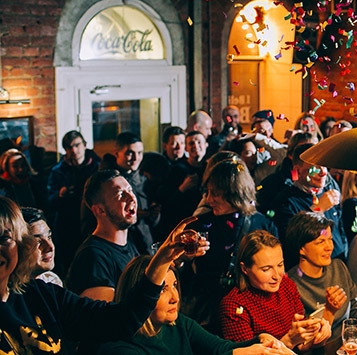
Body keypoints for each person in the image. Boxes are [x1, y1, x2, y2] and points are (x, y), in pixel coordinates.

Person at [0, 194, 205, 354]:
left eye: (4, 238)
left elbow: (120, 320)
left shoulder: (42, 295)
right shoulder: (93, 255)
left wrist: (161, 260)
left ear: (20, 244)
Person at [98, 255, 291, 355]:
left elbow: (219, 348)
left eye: (175, 286)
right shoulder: (120, 348)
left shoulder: (178, 324)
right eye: (162, 290)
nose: (175, 297)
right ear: (138, 295)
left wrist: (260, 341)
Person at [181, 159, 277, 329]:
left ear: (235, 193)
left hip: (250, 313)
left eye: (215, 193)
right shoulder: (199, 225)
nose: (209, 199)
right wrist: (186, 257)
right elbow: (183, 275)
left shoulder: (262, 225)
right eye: (207, 192)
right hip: (210, 316)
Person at [218, 230, 331, 351]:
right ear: (245, 269)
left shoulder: (286, 285)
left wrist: (317, 339)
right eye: (266, 269)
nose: (277, 275)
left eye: (280, 265)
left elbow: (300, 347)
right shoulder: (233, 305)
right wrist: (288, 341)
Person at [285, 212, 357, 330]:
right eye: (321, 242)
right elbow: (305, 343)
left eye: (330, 239)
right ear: (301, 248)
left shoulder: (338, 267)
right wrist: (329, 311)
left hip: (349, 343)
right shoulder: (290, 285)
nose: (329, 247)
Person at [67, 170, 142, 301]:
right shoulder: (93, 257)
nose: (131, 197)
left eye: (130, 190)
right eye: (120, 194)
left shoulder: (127, 244)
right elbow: (102, 317)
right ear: (99, 210)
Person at [272, 144, 346, 259]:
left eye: (324, 166)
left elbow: (340, 231)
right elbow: (292, 243)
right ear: (298, 170)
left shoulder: (330, 192)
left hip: (338, 264)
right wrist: (317, 210)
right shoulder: (285, 202)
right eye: (316, 167)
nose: (323, 173)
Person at [89, 132, 160, 254]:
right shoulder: (102, 184)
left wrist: (153, 214)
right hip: (118, 248)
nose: (136, 158)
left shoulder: (145, 180)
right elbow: (89, 222)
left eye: (139, 153)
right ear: (117, 153)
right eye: (129, 153)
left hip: (145, 246)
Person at [46, 130, 100, 274]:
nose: (74, 150)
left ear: (84, 145)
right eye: (69, 147)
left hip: (92, 221)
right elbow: (49, 201)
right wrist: (59, 194)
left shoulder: (97, 166)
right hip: (67, 224)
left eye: (77, 145)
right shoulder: (58, 171)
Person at [160, 131, 208, 237]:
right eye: (191, 143)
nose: (195, 146)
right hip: (184, 227)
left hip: (206, 225)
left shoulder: (211, 169)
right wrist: (182, 188)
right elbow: (167, 205)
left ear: (206, 145)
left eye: (199, 142)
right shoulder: (177, 170)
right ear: (186, 148)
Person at [20, 207, 62, 286]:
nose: (50, 247)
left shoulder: (52, 280)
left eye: (49, 237)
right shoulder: (8, 293)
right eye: (38, 241)